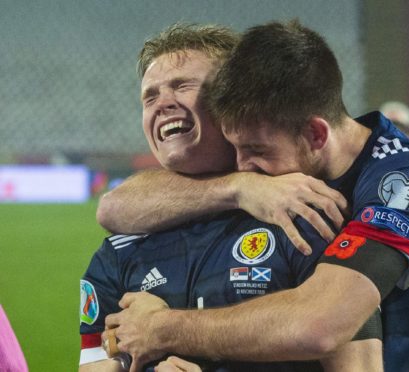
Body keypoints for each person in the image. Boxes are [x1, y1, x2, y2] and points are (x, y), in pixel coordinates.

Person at [101, 20, 409, 372]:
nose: (243, 165)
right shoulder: (272, 175)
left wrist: (163, 329)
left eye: (257, 151)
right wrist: (236, 187)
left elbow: (319, 324)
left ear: (316, 135)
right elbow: (115, 207)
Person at [79, 22, 381, 372]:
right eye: (149, 96)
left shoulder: (307, 219)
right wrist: (238, 187)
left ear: (232, 98)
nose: (162, 104)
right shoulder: (118, 252)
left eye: (183, 86)